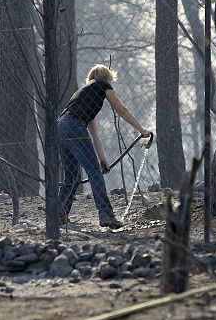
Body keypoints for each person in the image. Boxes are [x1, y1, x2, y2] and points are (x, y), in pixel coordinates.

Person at [57, 64, 152, 229]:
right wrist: (141, 129)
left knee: (71, 176)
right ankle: (106, 215)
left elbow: (94, 134)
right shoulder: (103, 85)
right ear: (107, 79)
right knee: (94, 173)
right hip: (74, 126)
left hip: (60, 127)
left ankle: (58, 213)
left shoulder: (83, 97)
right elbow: (121, 109)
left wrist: (103, 160)